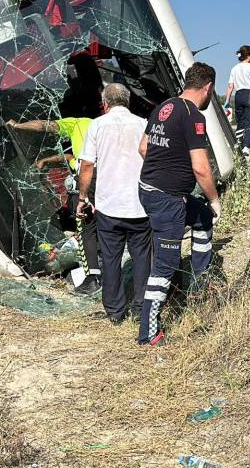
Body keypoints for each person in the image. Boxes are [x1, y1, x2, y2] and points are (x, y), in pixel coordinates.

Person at [137, 62, 222, 346]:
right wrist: (214, 199)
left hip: (149, 190)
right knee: (166, 262)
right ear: (207, 87)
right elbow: (201, 167)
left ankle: (198, 284)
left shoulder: (165, 107)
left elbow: (144, 148)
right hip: (167, 199)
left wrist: (165, 168)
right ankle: (149, 332)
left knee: (201, 218)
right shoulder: (193, 115)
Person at [76, 84, 151, 324]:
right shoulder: (143, 124)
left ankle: (115, 312)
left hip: (109, 206)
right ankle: (140, 308)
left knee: (110, 259)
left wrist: (82, 198)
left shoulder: (97, 125)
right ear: (127, 102)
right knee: (142, 258)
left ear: (105, 103)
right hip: (140, 205)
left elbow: (87, 165)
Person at [8, 116, 100, 294]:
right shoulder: (109, 125)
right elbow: (72, 155)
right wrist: (48, 160)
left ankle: (92, 279)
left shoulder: (78, 123)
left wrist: (17, 125)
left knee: (87, 230)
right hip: (113, 182)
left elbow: (44, 125)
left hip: (88, 182)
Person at [225, 45, 250, 155]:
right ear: (249, 56)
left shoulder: (234, 68)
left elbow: (230, 86)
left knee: (240, 121)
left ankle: (238, 144)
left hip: (238, 95)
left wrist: (227, 100)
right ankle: (246, 146)